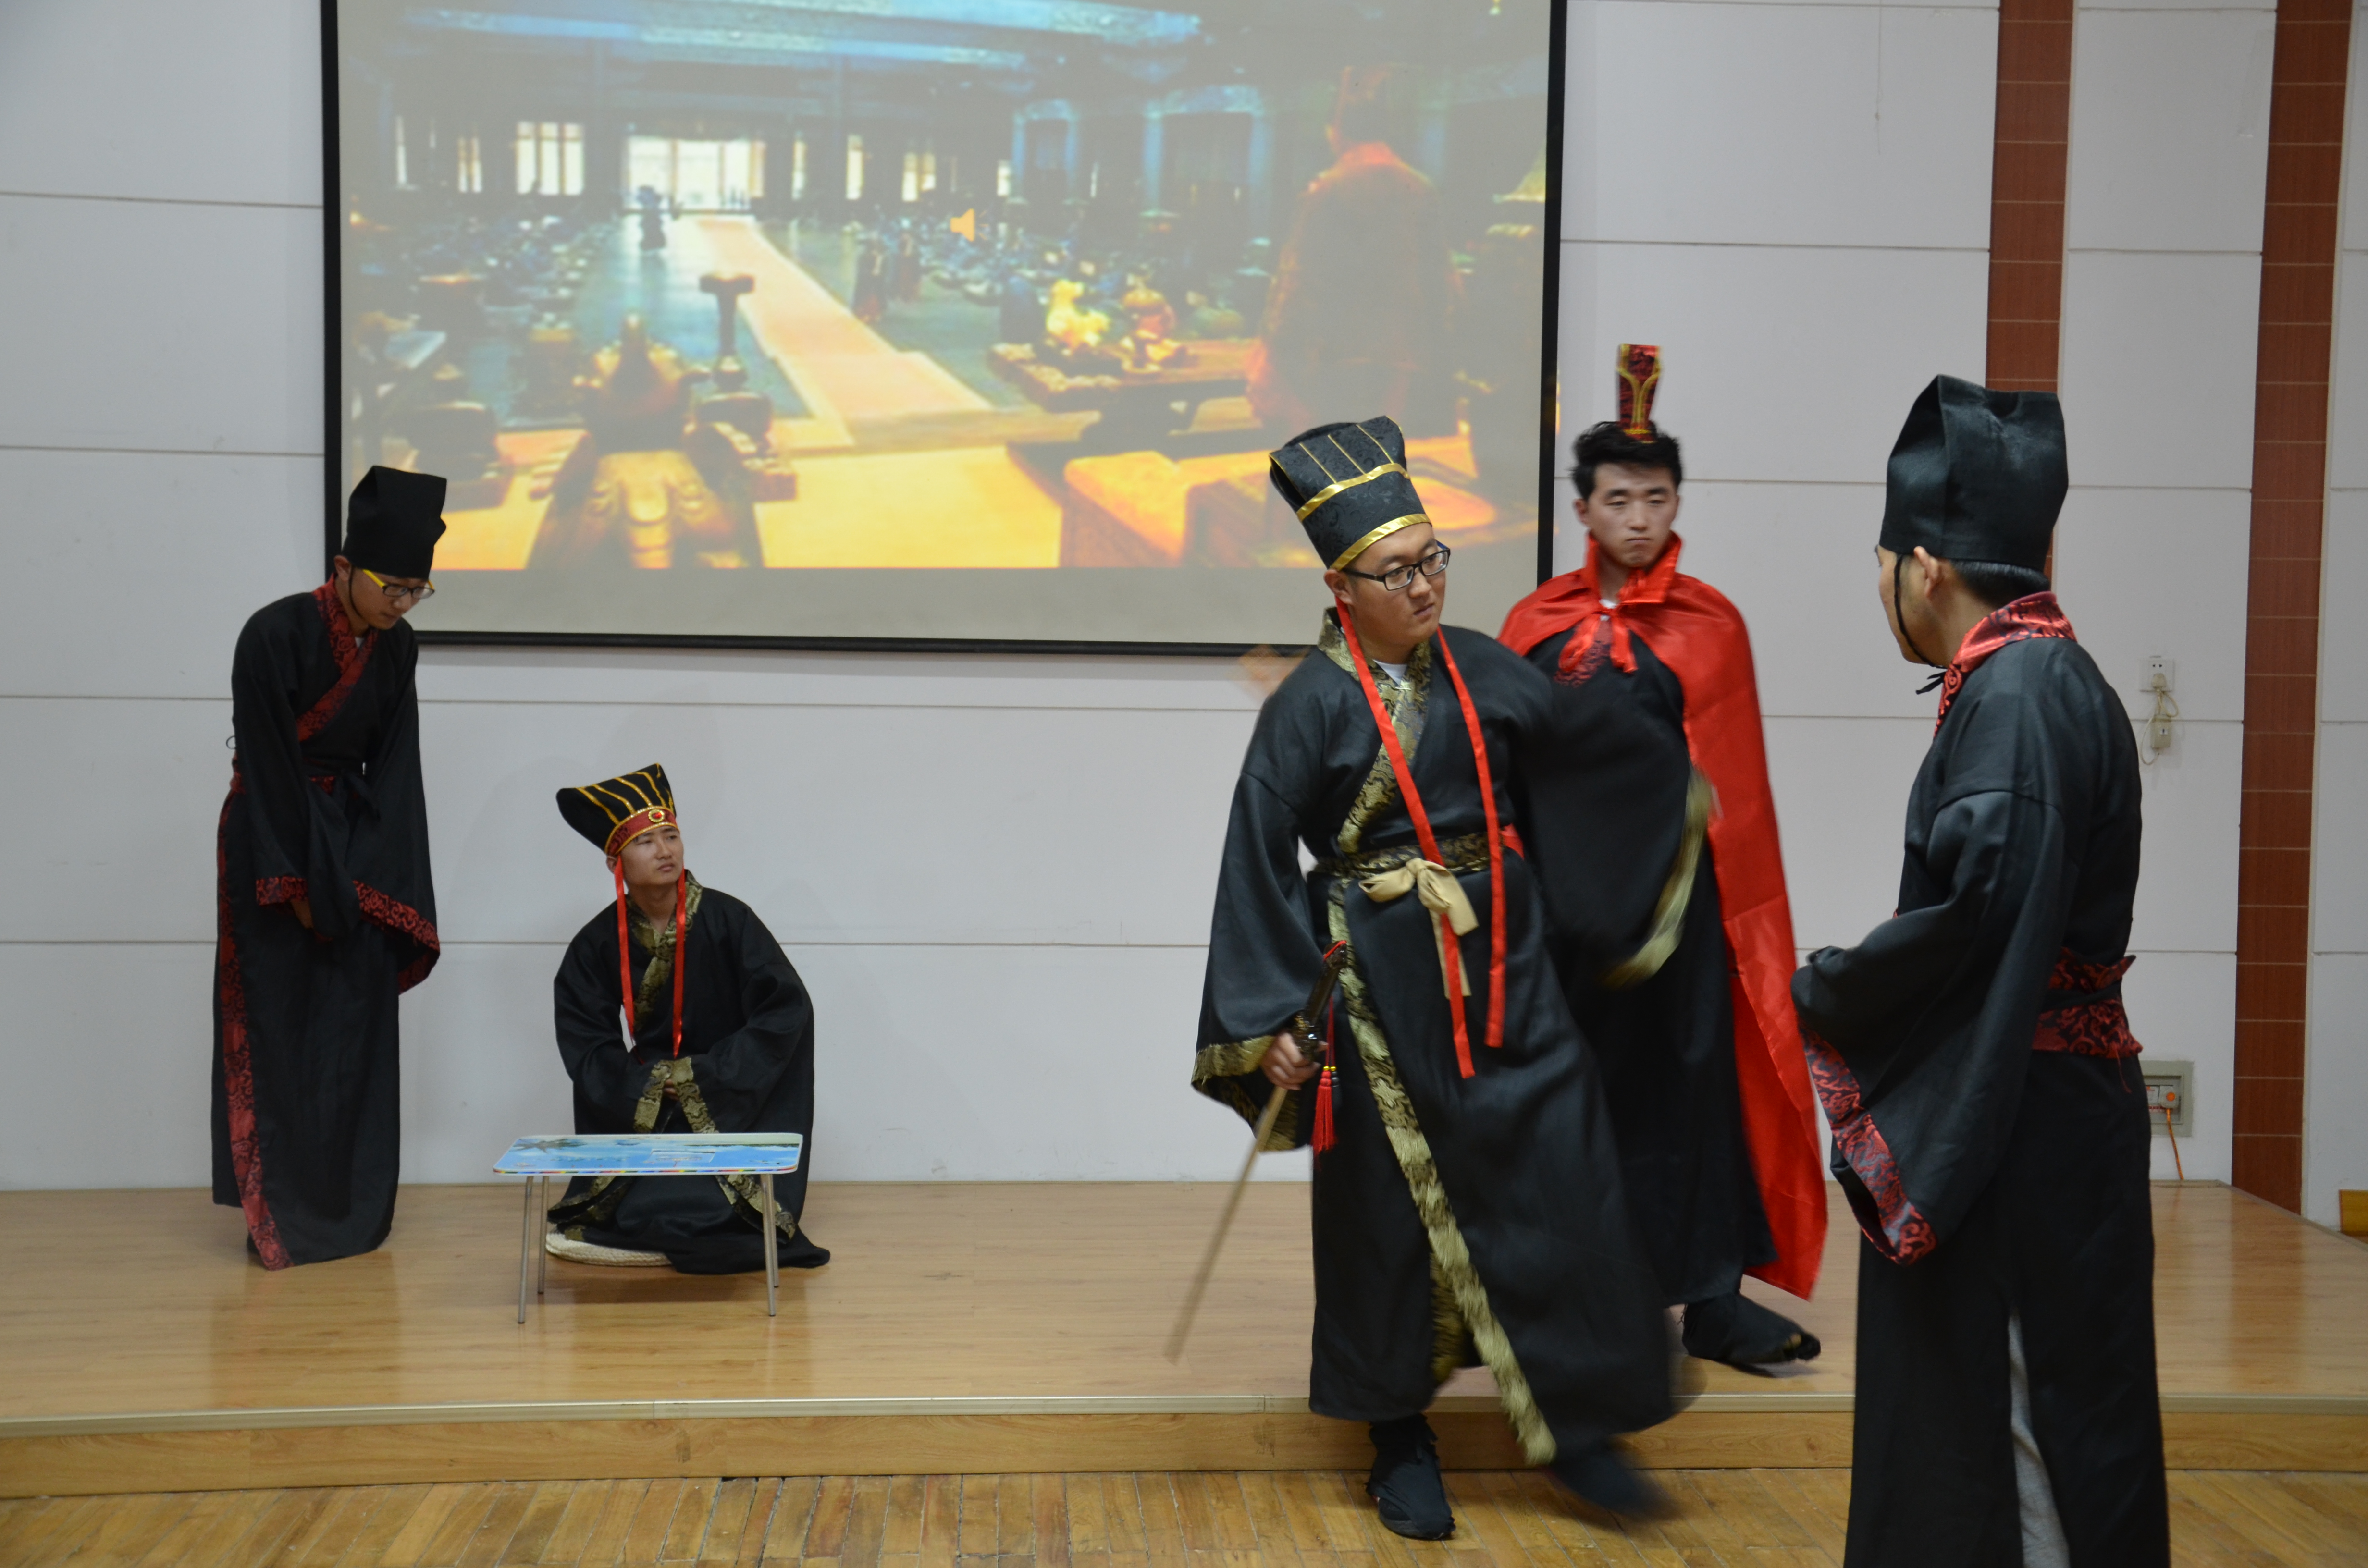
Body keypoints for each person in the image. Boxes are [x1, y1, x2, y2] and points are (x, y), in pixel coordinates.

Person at [1194, 416, 1671, 1535]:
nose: (1423, 586)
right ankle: (1397, 1434)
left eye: (1433, 560)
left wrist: (1664, 788)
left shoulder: (1483, 667)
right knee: (1388, 1213)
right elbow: (1256, 859)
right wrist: (1274, 1015)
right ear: (1339, 585)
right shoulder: (1309, 705)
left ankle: (1580, 1424)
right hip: (1378, 987)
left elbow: (1581, 766)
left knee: (1564, 1172)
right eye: (1396, 571)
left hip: (1505, 966)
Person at [1793, 376, 2164, 1565]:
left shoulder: (2018, 693)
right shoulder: (2040, 676)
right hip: (2046, 1105)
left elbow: (1978, 925)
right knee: (2038, 1412)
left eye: (1881, 563)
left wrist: (1824, 987)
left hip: (2022, 1129)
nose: (1881, 587)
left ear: (1924, 567)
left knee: (2019, 1425)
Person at [1497, 347, 1827, 1367]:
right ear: (1582, 509)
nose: (1638, 518)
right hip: (1564, 917)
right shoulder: (1533, 625)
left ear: (1677, 502)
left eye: (1656, 497)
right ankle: (1574, 1297)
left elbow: (1733, 789)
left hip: (1678, 918)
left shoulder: (1709, 625)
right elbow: (1504, 773)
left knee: (1695, 1097)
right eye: (1618, 499)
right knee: (1571, 1098)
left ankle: (1712, 1301)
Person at [213, 466, 445, 1269]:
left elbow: (397, 768)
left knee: (356, 1023)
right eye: (392, 586)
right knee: (280, 1020)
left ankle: (352, 1207)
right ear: (345, 568)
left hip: (356, 845)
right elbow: (270, 765)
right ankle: (280, 1212)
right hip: (273, 836)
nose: (402, 604)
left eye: (417, 590)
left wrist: (376, 883)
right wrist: (301, 882)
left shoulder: (399, 646)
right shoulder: (272, 633)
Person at [548, 765, 829, 1274]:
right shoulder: (596, 943)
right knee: (635, 1214)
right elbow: (586, 1041)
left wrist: (708, 1075)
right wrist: (648, 1083)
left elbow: (786, 1010)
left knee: (713, 1214)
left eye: (671, 836)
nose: (665, 851)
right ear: (615, 861)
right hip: (649, 1101)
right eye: (646, 842)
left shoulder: (730, 921)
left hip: (729, 1098)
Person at [1246, 68, 1456, 438]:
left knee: (1326, 459)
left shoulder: (1328, 188)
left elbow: (1297, 281)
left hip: (1331, 357)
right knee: (1378, 457)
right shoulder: (1421, 188)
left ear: (1336, 130)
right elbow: (1442, 282)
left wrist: (1271, 356)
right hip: (1402, 360)